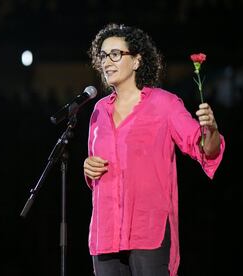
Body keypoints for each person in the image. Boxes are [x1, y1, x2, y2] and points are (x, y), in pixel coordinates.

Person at [82, 23, 225, 276]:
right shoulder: (99, 111)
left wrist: (211, 131)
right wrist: (88, 167)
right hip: (106, 230)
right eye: (102, 55)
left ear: (136, 61)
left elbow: (204, 149)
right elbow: (97, 171)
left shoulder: (164, 104)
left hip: (148, 230)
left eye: (116, 54)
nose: (107, 61)